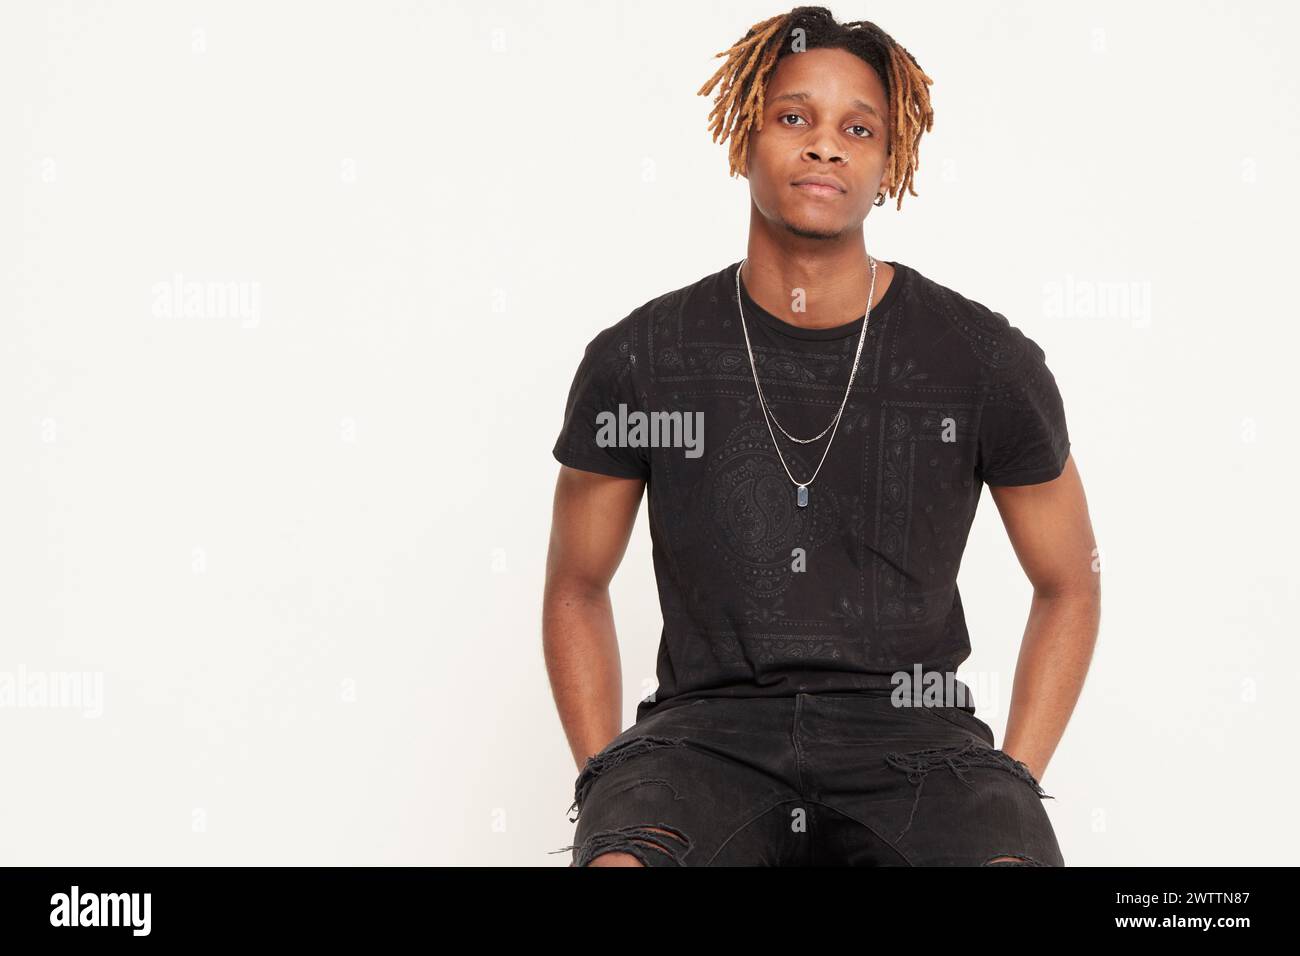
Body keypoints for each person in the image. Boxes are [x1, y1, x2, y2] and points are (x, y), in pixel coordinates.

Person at [543, 6, 1100, 866]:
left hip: (918, 738)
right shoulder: (640, 358)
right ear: (743, 135)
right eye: (795, 117)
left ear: (890, 158)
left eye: (858, 127)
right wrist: (611, 777)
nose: (825, 146)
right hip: (704, 737)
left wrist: (1010, 779)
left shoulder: (984, 360)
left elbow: (1070, 582)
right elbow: (576, 585)